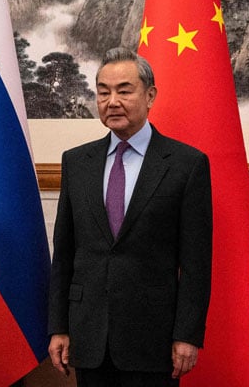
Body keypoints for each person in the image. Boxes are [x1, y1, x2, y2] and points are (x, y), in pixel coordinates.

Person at [48, 47, 213, 387]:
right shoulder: (76, 163)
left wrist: (188, 335)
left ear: (150, 95)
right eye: (103, 92)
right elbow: (64, 254)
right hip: (89, 336)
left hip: (153, 340)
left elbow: (196, 264)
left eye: (124, 90)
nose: (112, 101)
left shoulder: (186, 165)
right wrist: (58, 327)